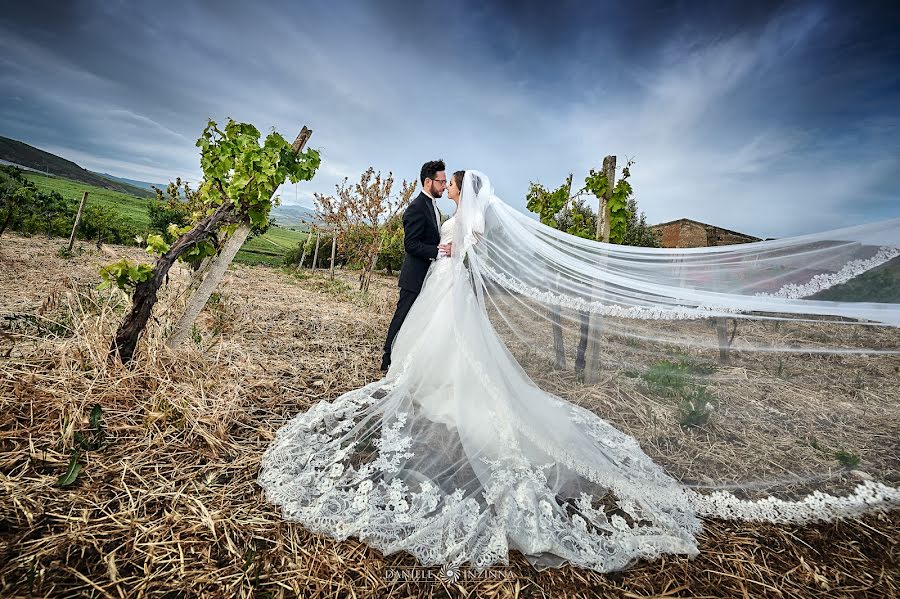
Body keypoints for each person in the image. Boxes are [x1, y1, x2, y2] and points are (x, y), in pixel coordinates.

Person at [260, 170, 900, 574]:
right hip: (444, 278)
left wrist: (459, 247)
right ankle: (423, 382)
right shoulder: (444, 209)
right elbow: (450, 241)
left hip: (454, 279)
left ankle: (437, 386)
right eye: (448, 184)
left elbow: (471, 242)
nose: (451, 189)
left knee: (451, 343)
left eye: (455, 184)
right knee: (431, 339)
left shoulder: (467, 211)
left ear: (463, 188)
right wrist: (451, 248)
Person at [380, 160, 453, 372]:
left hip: (430, 275)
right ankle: (387, 359)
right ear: (428, 181)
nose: (444, 186)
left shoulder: (433, 206)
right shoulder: (416, 207)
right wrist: (437, 251)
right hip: (414, 276)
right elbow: (410, 244)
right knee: (402, 316)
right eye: (441, 181)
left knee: (416, 319)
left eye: (446, 182)